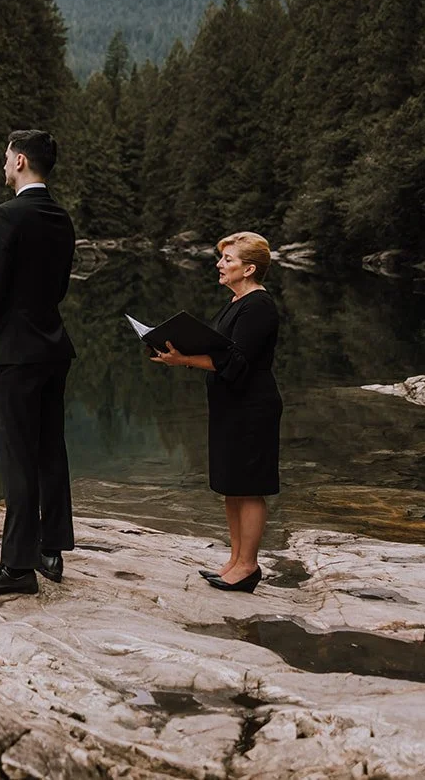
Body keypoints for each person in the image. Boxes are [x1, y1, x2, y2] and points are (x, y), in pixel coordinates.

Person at [0, 130, 77, 596]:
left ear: (20, 161)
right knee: (50, 449)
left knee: (18, 458)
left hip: (15, 353)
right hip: (53, 347)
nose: (3, 165)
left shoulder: (5, 215)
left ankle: (17, 569)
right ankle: (50, 550)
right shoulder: (61, 217)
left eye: (6, 157)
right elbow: (57, 288)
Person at [148, 232, 281, 593]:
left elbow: (236, 360)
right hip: (230, 403)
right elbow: (221, 350)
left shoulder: (259, 306)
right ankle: (235, 561)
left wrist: (183, 360)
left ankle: (249, 566)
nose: (220, 265)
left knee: (249, 487)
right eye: (222, 258)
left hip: (252, 405)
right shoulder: (237, 301)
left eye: (228, 259)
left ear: (248, 269)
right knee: (231, 485)